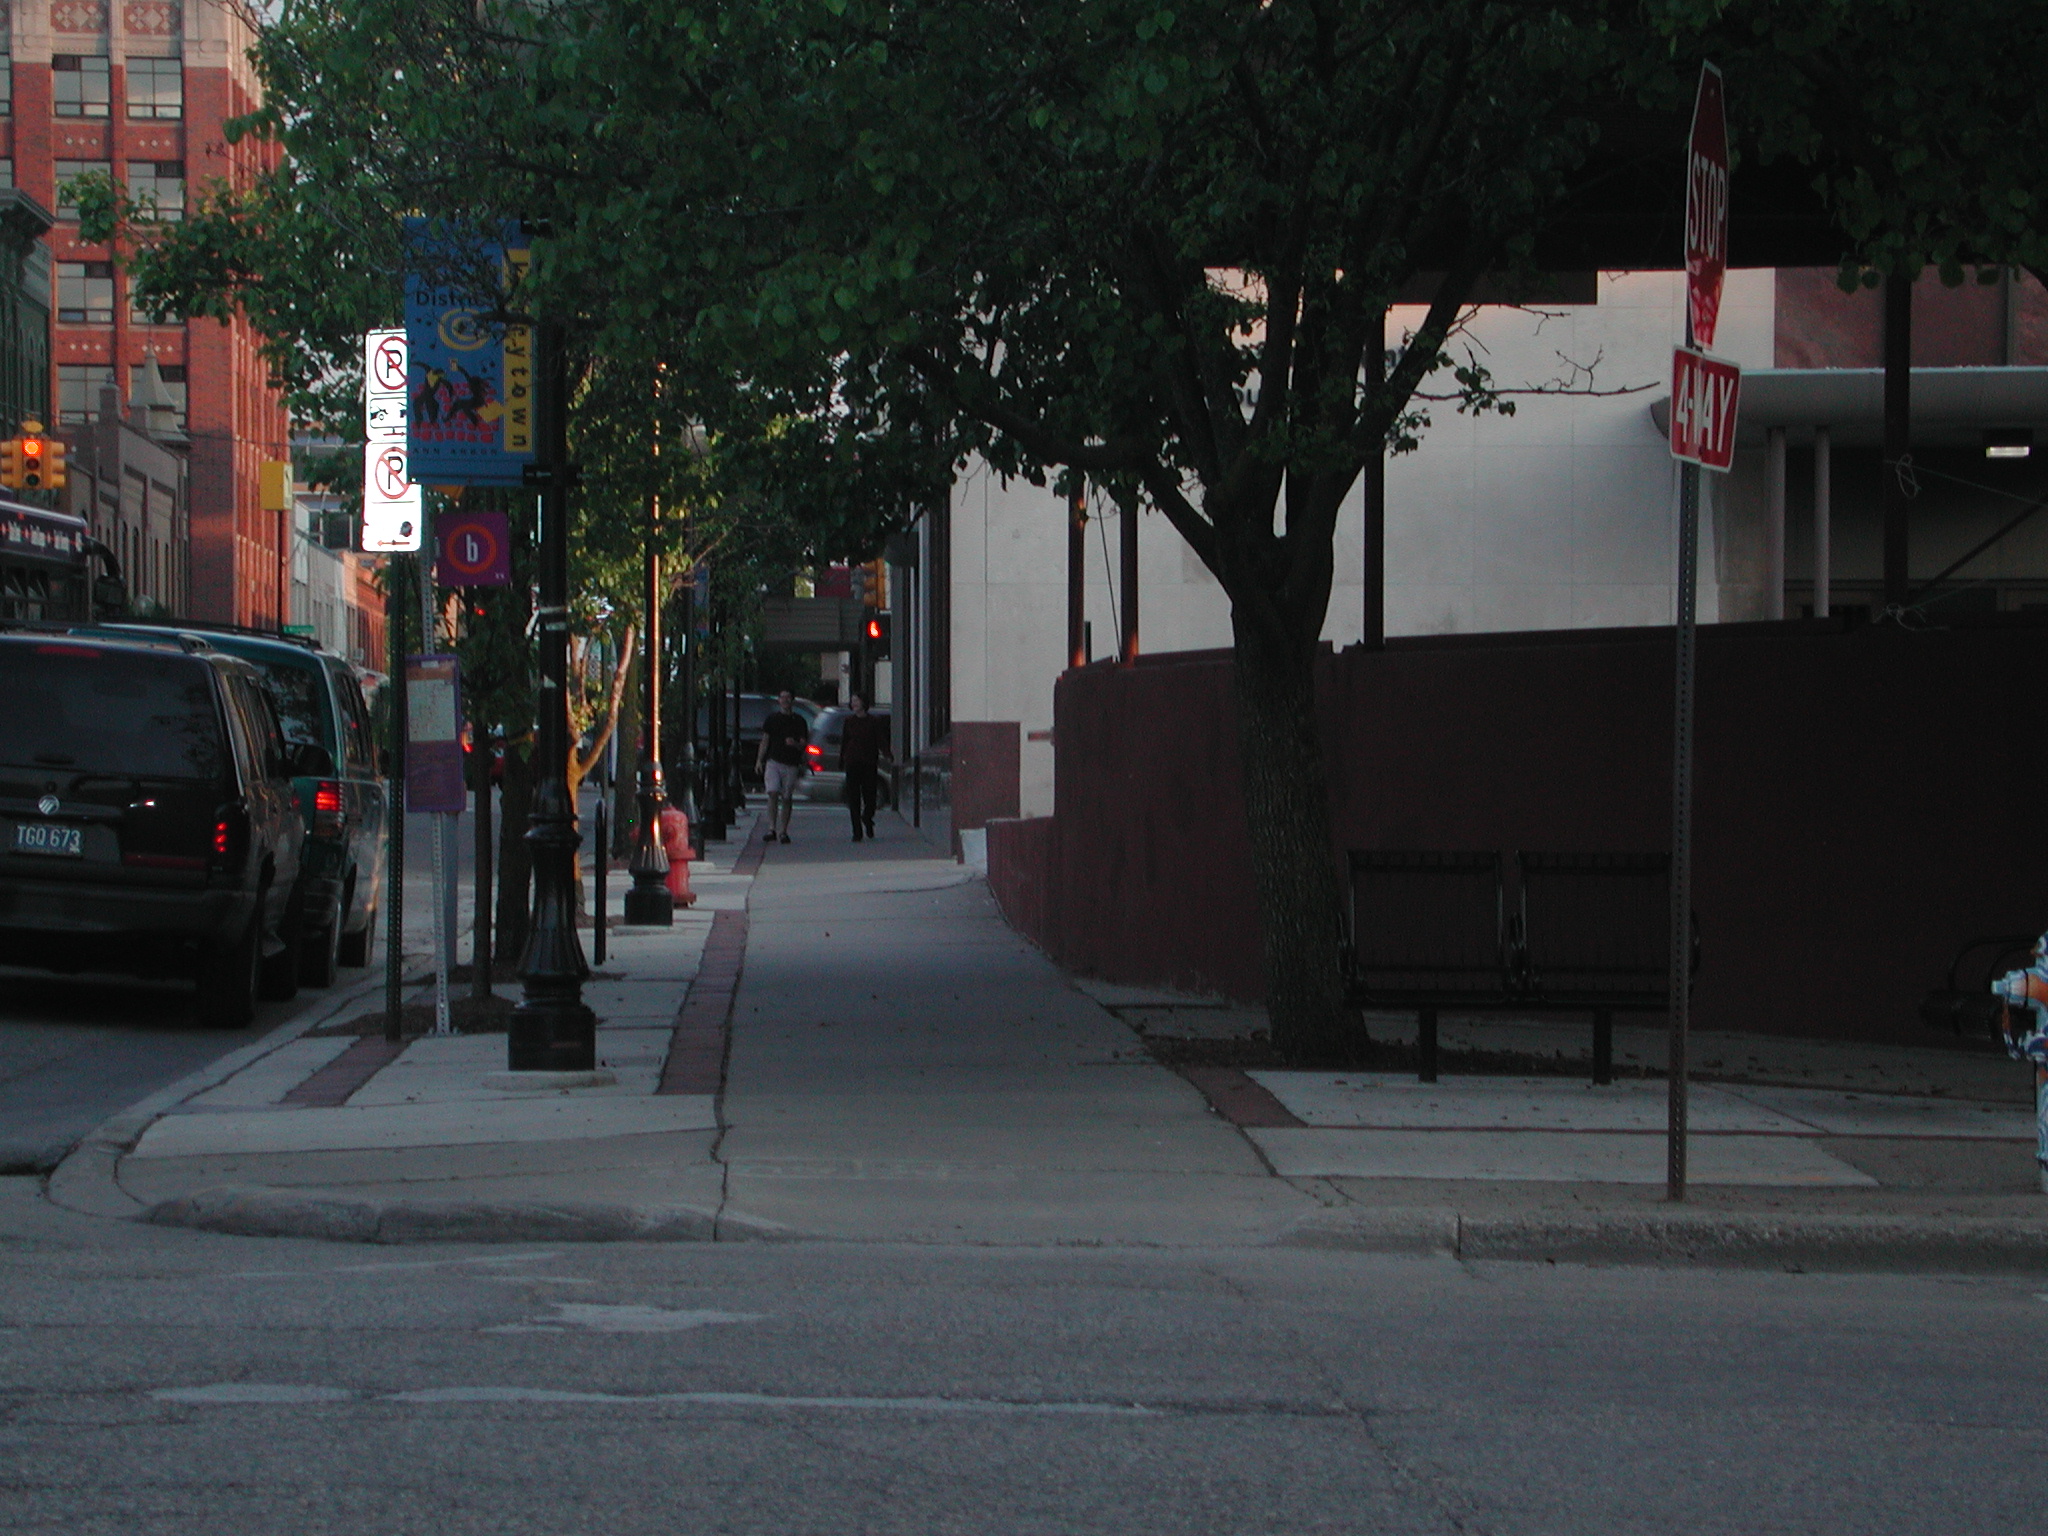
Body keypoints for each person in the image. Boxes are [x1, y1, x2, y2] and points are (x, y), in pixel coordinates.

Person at [755, 689, 808, 844]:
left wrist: (796, 744)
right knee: (772, 793)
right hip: (773, 761)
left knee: (786, 797)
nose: (785, 700)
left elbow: (804, 745)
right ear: (778, 700)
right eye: (782, 697)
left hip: (791, 763)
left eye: (788, 698)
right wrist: (759, 760)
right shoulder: (772, 719)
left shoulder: (799, 721)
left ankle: (783, 831)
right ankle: (771, 828)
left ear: (792, 700)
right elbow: (765, 740)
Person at [839, 692, 891, 842]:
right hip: (852, 761)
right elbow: (845, 741)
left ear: (864, 703)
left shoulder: (873, 721)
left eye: (857, 700)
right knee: (853, 797)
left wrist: (887, 753)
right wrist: (842, 759)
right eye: (852, 701)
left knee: (870, 796)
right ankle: (857, 831)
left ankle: (867, 817)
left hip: (868, 762)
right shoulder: (848, 721)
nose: (854, 703)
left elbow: (880, 739)